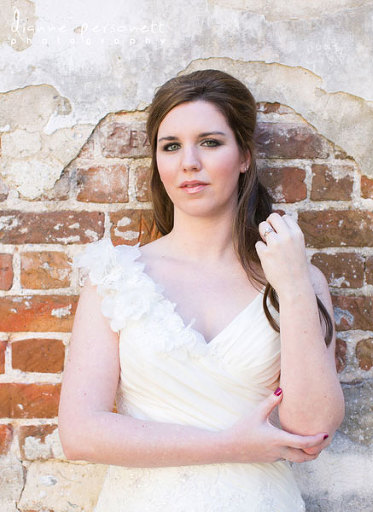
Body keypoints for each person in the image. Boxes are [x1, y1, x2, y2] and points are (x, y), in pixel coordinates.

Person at [58, 69, 345, 511]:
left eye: (210, 142)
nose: (188, 162)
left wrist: (292, 287)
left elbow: (311, 428)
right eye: (171, 146)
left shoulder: (298, 280)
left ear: (245, 155)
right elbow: (80, 434)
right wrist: (232, 445)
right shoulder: (115, 277)